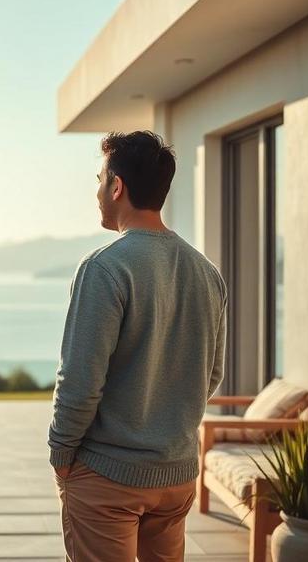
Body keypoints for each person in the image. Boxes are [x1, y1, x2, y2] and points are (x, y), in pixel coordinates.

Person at [48, 131, 227, 562]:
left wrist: (62, 453)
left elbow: (79, 381)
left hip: (108, 477)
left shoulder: (104, 268)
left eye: (100, 179)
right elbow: (212, 374)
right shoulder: (207, 273)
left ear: (117, 187)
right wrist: (165, 423)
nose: (97, 191)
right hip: (176, 477)